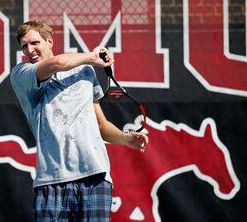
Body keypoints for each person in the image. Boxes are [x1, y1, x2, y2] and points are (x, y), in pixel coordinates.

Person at [10, 20, 148, 221]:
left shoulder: (85, 71)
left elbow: (101, 125)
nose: (30, 50)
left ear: (49, 41)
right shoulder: (22, 74)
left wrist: (126, 139)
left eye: (35, 43)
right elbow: (57, 63)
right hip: (52, 181)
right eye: (24, 46)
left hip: (95, 178)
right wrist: (91, 57)